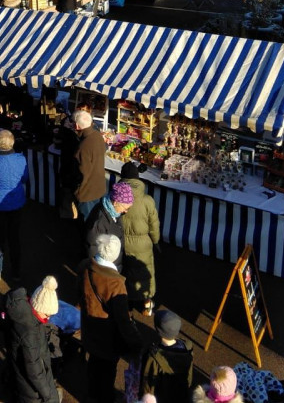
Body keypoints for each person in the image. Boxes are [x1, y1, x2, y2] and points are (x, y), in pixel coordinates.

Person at [79, 233, 144, 403]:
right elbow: (123, 321)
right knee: (107, 373)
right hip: (107, 339)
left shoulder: (85, 266)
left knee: (93, 366)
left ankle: (92, 395)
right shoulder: (115, 283)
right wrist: (137, 343)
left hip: (89, 330)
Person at [0, 129, 28, 283]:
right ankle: (16, 272)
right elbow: (25, 178)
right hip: (16, 202)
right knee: (15, 238)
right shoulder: (21, 159)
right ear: (12, 142)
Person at [3, 286, 60, 403]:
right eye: (46, 314)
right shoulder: (29, 333)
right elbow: (34, 371)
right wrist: (48, 396)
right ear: (38, 308)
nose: (48, 318)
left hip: (19, 376)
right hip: (31, 393)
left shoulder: (22, 312)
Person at [120, 161, 160, 314]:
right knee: (145, 272)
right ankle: (147, 303)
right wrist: (155, 241)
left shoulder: (116, 196)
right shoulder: (147, 200)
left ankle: (127, 302)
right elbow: (154, 225)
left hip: (123, 242)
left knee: (126, 272)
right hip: (143, 243)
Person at [140, 309, 194, 403]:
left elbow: (148, 386)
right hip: (181, 396)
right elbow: (189, 378)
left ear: (157, 329)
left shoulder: (153, 357)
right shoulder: (187, 348)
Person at [84, 181, 132, 263]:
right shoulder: (98, 222)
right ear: (116, 203)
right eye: (125, 208)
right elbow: (92, 249)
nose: (126, 211)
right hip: (105, 268)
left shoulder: (115, 213)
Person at [72, 110, 107, 221]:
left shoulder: (83, 146)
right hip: (99, 188)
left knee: (89, 226)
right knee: (97, 222)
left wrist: (77, 193)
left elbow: (82, 173)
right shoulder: (97, 135)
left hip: (87, 193)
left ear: (77, 126)